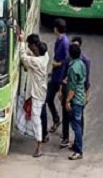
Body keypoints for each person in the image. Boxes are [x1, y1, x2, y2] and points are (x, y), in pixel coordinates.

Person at [19, 34, 49, 157]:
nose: (30, 49)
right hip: (39, 91)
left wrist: (21, 42)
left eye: (30, 47)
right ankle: (40, 136)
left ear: (34, 47)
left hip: (36, 93)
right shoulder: (45, 56)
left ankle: (39, 145)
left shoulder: (36, 62)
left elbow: (23, 57)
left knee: (36, 119)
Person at [44, 19, 71, 148]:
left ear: (56, 28)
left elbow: (65, 61)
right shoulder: (59, 40)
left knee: (62, 104)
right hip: (55, 76)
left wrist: (56, 64)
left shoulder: (65, 43)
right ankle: (56, 119)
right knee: (48, 98)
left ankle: (65, 135)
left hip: (60, 78)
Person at [65, 43, 87, 160]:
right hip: (81, 97)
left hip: (76, 100)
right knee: (78, 123)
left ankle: (78, 150)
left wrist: (67, 101)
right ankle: (76, 145)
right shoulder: (82, 63)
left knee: (76, 125)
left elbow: (72, 88)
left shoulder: (73, 68)